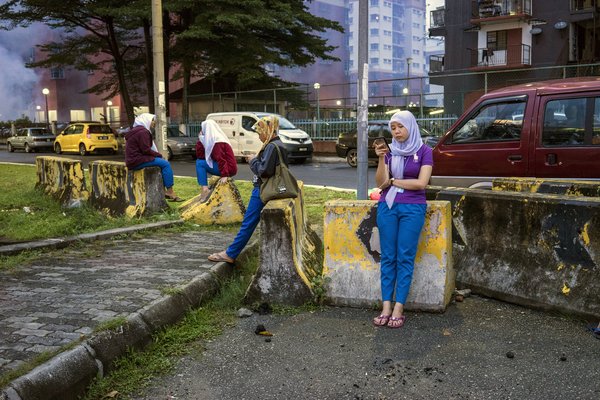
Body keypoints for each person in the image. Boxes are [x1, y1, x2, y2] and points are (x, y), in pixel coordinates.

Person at [372, 110, 433, 329]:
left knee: (404, 257)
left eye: (400, 126)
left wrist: (394, 181)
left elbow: (421, 183)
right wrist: (381, 159)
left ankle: (399, 307)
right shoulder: (389, 152)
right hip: (387, 207)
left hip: (413, 208)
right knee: (388, 257)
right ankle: (386, 306)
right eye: (393, 128)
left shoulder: (425, 151)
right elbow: (381, 183)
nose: (396, 132)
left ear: (410, 126)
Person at [208, 115, 289, 263]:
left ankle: (230, 254)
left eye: (260, 132)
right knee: (249, 222)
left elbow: (264, 171)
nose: (259, 136)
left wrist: (253, 161)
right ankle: (231, 252)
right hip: (270, 188)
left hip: (263, 189)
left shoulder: (271, 146)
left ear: (267, 130)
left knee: (248, 223)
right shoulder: (278, 144)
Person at [125, 113, 183, 202]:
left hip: (133, 160)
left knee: (160, 162)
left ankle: (164, 190)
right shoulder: (143, 132)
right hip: (137, 161)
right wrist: (159, 155)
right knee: (165, 164)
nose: (154, 122)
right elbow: (146, 150)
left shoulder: (136, 131)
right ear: (146, 121)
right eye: (152, 120)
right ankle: (170, 191)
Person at [195, 119, 237, 202]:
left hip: (228, 168)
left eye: (203, 129)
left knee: (200, 164)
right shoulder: (213, 139)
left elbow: (221, 158)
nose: (202, 131)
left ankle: (205, 189)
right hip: (225, 167)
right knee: (200, 162)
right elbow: (201, 156)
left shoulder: (218, 141)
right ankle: (204, 188)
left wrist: (224, 175)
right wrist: (201, 141)